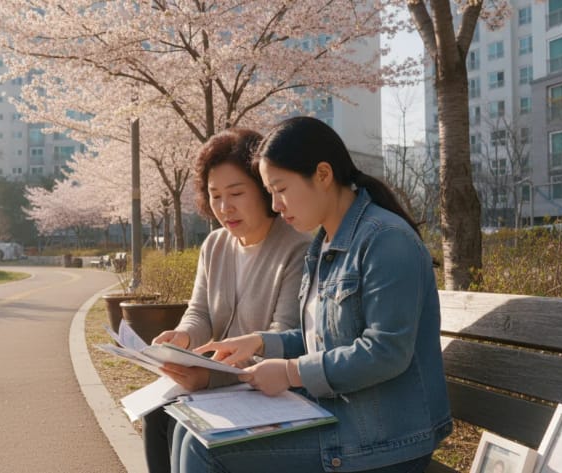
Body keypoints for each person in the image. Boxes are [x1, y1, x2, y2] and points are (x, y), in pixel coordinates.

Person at [172, 116, 452, 472]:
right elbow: (321, 339)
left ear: (322, 174)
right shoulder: (325, 245)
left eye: (281, 189)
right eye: (270, 192)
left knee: (206, 448)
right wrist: (259, 343)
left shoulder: (386, 240)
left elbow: (386, 353)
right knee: (189, 428)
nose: (275, 205)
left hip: (386, 438)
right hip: (340, 414)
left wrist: (290, 372)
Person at [142, 128, 310, 473]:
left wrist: (210, 378)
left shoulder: (296, 248)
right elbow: (200, 312)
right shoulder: (215, 245)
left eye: (236, 193)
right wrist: (184, 337)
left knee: (185, 426)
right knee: (156, 414)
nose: (224, 207)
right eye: (214, 195)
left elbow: (284, 337)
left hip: (268, 391)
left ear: (264, 191)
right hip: (222, 384)